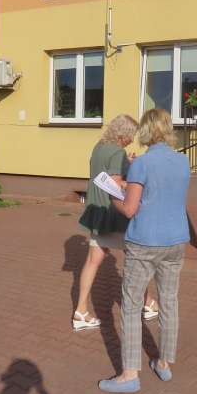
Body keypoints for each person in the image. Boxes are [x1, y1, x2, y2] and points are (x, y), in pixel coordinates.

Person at [99, 108, 191, 393]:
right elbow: (163, 193)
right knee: (169, 301)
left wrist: (112, 193)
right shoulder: (183, 161)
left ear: (147, 131)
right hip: (176, 239)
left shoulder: (143, 163)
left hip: (145, 242)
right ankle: (164, 363)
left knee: (130, 305)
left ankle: (129, 375)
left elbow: (129, 209)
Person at [73, 114, 159, 331]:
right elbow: (116, 183)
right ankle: (147, 304)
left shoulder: (99, 147)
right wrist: (132, 169)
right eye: (131, 134)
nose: (132, 139)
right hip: (114, 213)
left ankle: (81, 310)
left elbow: (103, 174)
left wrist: (125, 164)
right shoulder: (117, 152)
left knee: (92, 261)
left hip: (96, 211)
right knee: (136, 260)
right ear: (123, 133)